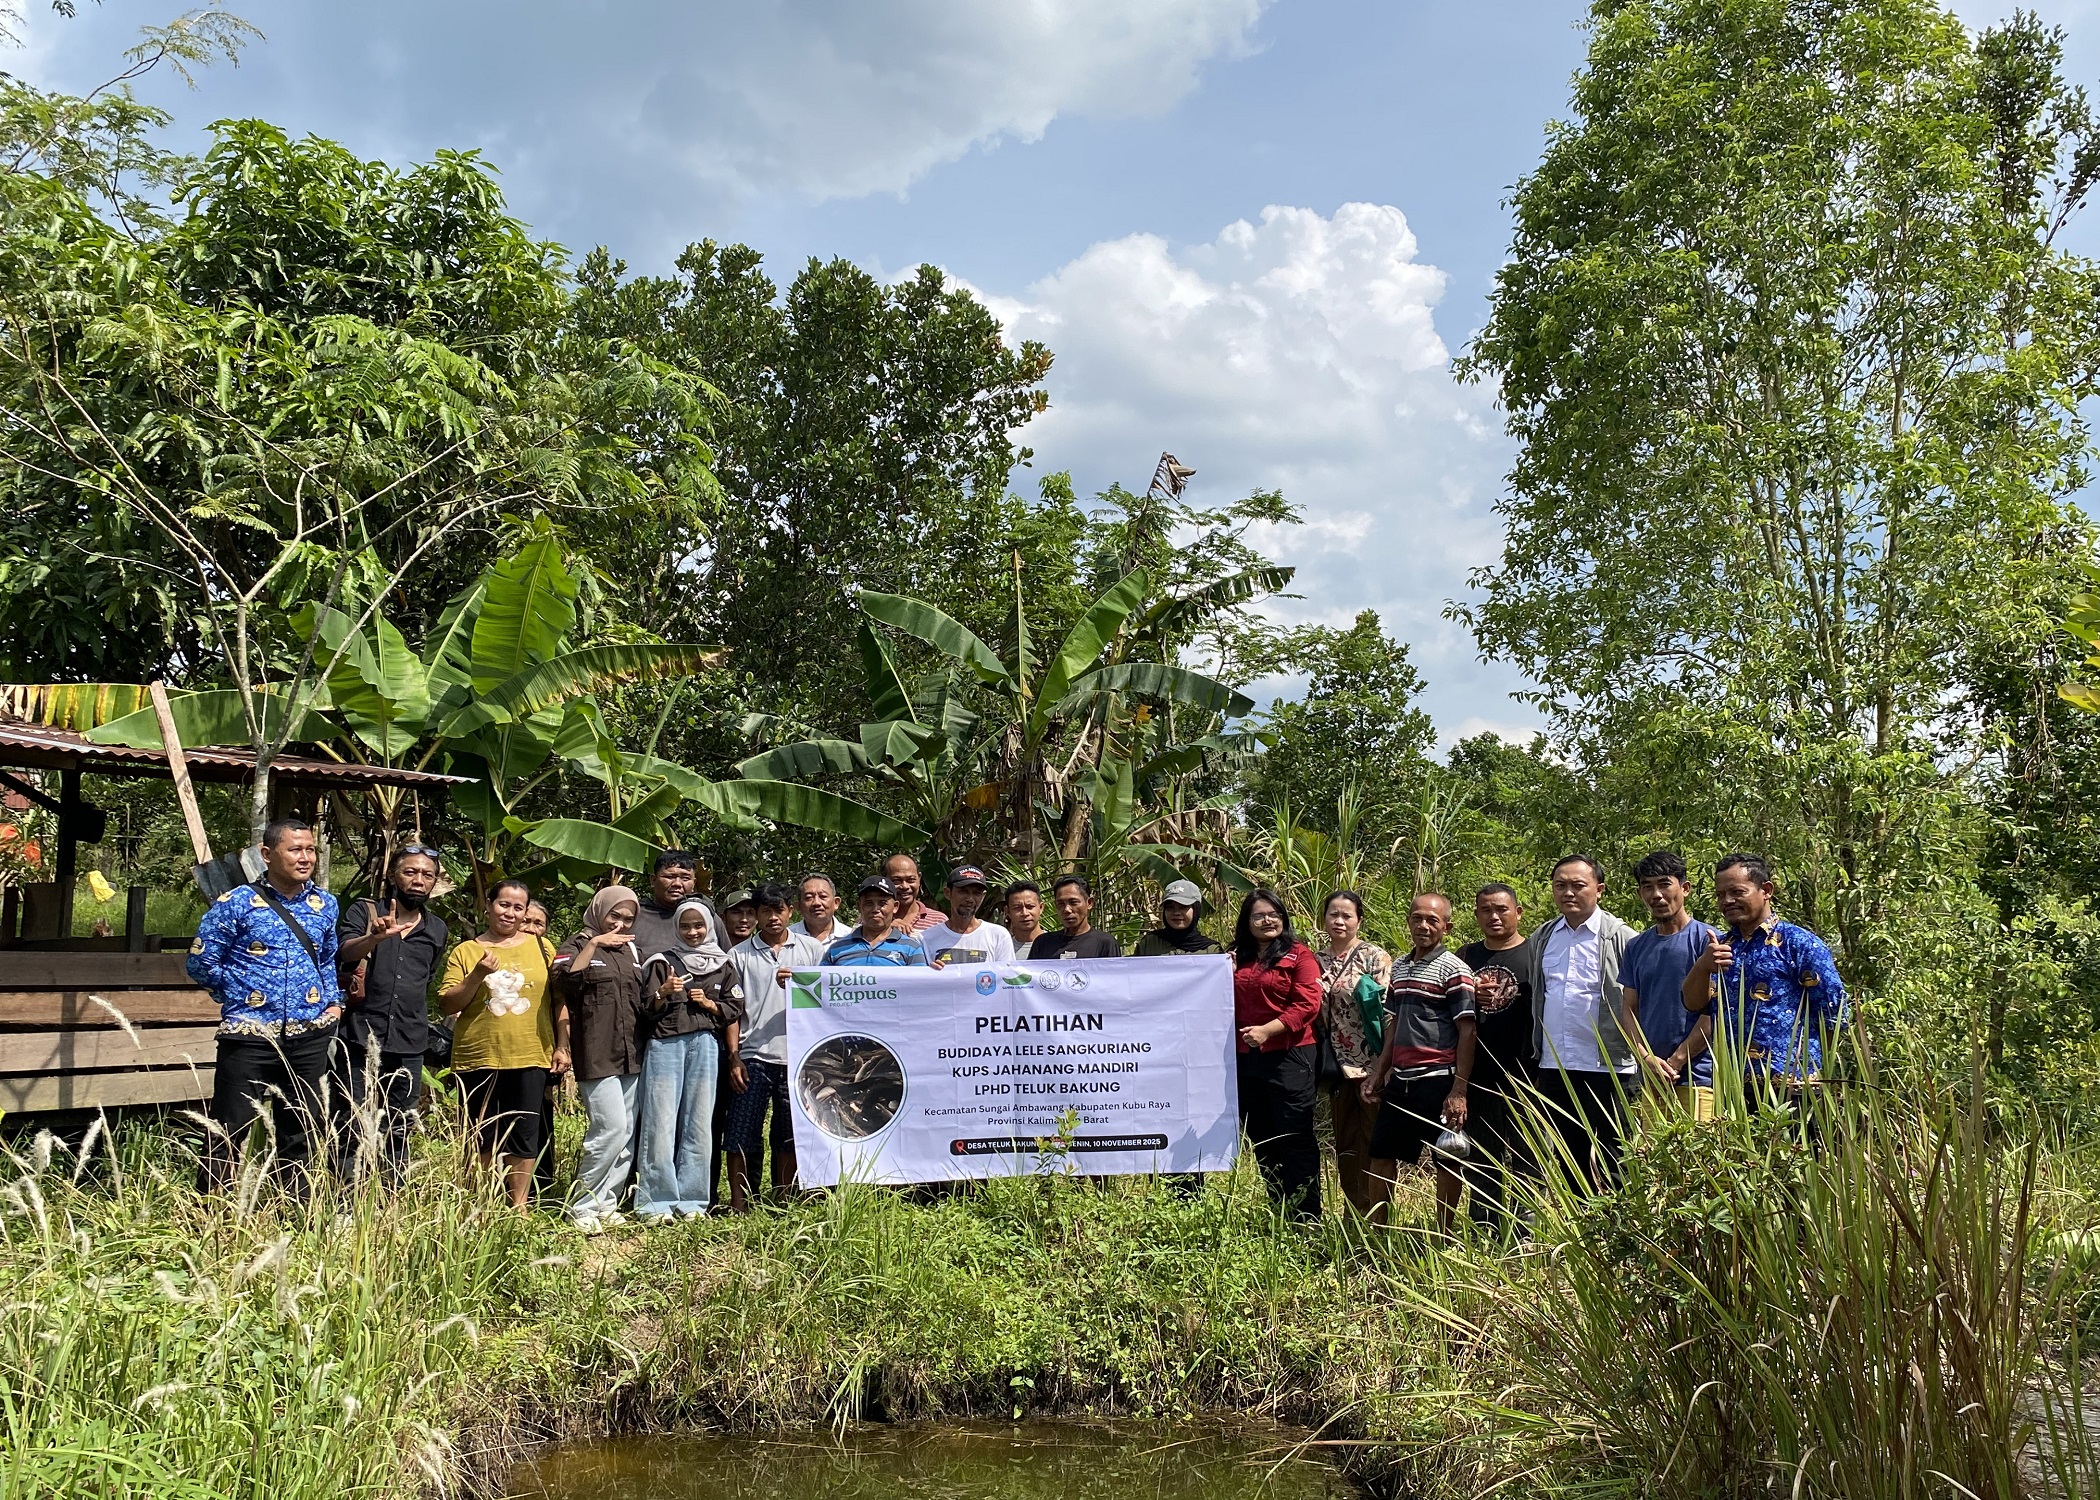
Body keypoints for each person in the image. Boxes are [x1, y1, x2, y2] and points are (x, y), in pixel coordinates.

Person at [187, 818, 341, 1195]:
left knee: (303, 1129)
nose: (305, 858)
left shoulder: (325, 904)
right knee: (230, 1128)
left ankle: (295, 1211)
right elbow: (200, 962)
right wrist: (241, 996)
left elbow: (326, 959)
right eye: (295, 850)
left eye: (310, 850)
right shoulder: (237, 903)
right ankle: (214, 1216)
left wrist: (333, 1003)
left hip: (308, 1036)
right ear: (267, 854)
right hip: (249, 1036)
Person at [1683, 854, 1849, 1102]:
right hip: (1734, 1087)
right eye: (1720, 895)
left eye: (1736, 892)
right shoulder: (1723, 947)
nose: (1727, 901)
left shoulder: (1799, 944)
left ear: (1766, 890)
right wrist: (1703, 967)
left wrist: (1816, 1075)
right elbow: (1694, 1004)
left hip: (1794, 1088)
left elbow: (1833, 1017)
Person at [332, 844, 448, 1186]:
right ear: (392, 876)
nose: (418, 880)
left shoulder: (437, 929)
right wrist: (374, 937)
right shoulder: (365, 911)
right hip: (360, 1034)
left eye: (427, 875)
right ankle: (345, 1200)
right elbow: (345, 954)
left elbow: (427, 978)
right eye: (410, 872)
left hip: (409, 1040)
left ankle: (391, 1196)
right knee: (352, 1120)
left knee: (400, 1123)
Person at [1521, 856, 1639, 1188]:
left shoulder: (1622, 937)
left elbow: (1636, 998)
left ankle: (1619, 1234)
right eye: (1561, 885)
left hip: (1611, 1067)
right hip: (1556, 1065)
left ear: (1599, 890)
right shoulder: (1543, 937)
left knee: (1616, 1156)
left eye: (1578, 885)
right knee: (1569, 1157)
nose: (1568, 892)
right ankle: (1581, 1233)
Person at [438, 879, 556, 1211]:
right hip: (479, 1056)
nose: (510, 913)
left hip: (530, 1053)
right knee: (481, 1134)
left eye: (519, 908)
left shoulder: (543, 948)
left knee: (524, 1134)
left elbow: (558, 1000)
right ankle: (481, 1203)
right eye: (504, 904)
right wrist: (475, 976)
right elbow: (447, 1004)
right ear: (488, 906)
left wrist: (562, 1046)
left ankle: (518, 1205)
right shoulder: (467, 951)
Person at [1362, 894, 1477, 1235]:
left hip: (1438, 1080)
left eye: (1432, 920)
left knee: (1448, 1158)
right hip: (1402, 1080)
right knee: (1381, 1154)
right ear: (1409, 921)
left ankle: (1444, 1235)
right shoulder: (1399, 966)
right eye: (1417, 918)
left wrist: (1459, 1088)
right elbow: (1394, 1022)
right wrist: (1380, 1071)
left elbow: (1467, 1029)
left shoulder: (1455, 970)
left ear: (1447, 926)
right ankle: (1378, 1236)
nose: (1423, 926)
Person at [635, 899, 744, 1220]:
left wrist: (711, 1005)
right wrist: (663, 992)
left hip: (705, 1047)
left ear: (710, 926)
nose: (693, 932)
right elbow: (645, 1008)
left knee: (699, 1125)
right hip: (665, 1045)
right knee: (660, 1123)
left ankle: (693, 1202)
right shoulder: (661, 962)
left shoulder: (723, 964)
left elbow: (735, 1008)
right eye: (685, 926)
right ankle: (655, 1202)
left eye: (699, 925)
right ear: (676, 928)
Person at [552, 885, 648, 1233]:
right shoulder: (577, 944)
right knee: (609, 1128)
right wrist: (594, 944)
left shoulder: (631, 951)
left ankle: (607, 1201)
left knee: (627, 1134)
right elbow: (563, 983)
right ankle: (581, 1205)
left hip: (631, 1052)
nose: (620, 924)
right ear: (599, 912)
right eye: (614, 916)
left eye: (628, 918)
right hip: (596, 1051)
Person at [725, 883, 825, 1211]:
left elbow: (827, 999)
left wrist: (800, 982)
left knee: (788, 1135)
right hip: (752, 1055)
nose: (772, 918)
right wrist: (734, 1056)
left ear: (790, 912)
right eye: (765, 911)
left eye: (778, 910)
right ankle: (740, 1205)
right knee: (741, 1134)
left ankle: (784, 1201)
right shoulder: (738, 955)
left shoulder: (811, 950)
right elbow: (732, 1011)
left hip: (798, 1056)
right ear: (756, 915)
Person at [1230, 888, 1323, 1218]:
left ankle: (1308, 1217)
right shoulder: (1234, 958)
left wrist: (1268, 1031)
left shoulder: (1300, 955)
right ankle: (1278, 1211)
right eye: (1259, 915)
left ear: (1283, 918)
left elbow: (1308, 1004)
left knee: (1294, 1137)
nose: (1267, 920)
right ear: (1247, 922)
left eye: (1274, 914)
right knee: (1263, 1139)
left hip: (1290, 1056)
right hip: (1245, 1059)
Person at [1457, 883, 1534, 1232]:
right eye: (1486, 910)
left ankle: (1524, 1233)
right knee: (1482, 1155)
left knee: (1527, 1156)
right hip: (1479, 1073)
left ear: (1518, 912)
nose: (1494, 916)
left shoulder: (1536, 953)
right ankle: (1484, 1228)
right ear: (1476, 915)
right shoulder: (1465, 956)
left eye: (1502, 909)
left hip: (1527, 1071)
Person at [1620, 852, 1718, 1119]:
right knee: (1653, 1158)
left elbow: (1715, 1012)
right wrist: (1645, 1057)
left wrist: (1677, 1061)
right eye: (1647, 887)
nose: (1657, 895)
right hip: (1651, 1081)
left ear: (1684, 888)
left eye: (1664, 884)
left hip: (1698, 1080)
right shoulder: (1636, 946)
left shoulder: (1708, 941)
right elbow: (1628, 1008)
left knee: (1701, 1159)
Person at [1312, 890, 1391, 1216]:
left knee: (1376, 1145)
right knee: (1346, 1145)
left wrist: (1382, 1068)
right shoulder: (1314, 959)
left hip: (1371, 1066)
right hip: (1336, 1070)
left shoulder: (1373, 957)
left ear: (1359, 920)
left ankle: (1380, 1221)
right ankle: (1354, 1215)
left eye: (1347, 915)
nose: (1339, 921)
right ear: (1324, 919)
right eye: (1333, 914)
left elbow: (1388, 1013)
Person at [522, 900, 563, 1201]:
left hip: (541, 1044)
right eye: (527, 921)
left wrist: (562, 1045)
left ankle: (541, 1188)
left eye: (539, 923)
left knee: (539, 1117)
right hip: (498, 1049)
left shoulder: (549, 951)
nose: (532, 928)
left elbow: (559, 1001)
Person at [632, 852, 722, 969]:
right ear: (653, 880)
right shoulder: (634, 916)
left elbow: (725, 961)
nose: (677, 884)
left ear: (694, 883)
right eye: (670, 877)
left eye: (685, 878)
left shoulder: (707, 918)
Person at [822, 874, 931, 967]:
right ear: (859, 906)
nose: (875, 909)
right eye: (868, 903)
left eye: (882, 903)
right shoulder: (836, 949)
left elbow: (919, 987)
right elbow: (821, 986)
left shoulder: (911, 948)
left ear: (895, 907)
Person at [919, 866, 1016, 963]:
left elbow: (1006, 976)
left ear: (983, 896)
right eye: (963, 892)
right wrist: (932, 972)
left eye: (976, 893)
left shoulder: (998, 936)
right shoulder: (926, 938)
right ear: (948, 893)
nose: (970, 899)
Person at [1027, 875, 1123, 959]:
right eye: (1060, 904)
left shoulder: (1105, 943)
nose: (1067, 909)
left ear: (1089, 903)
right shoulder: (1043, 943)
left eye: (1073, 902)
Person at [1134, 879, 1224, 956]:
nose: (1176, 913)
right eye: (1170, 907)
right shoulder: (1149, 944)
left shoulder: (1212, 951)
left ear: (1196, 910)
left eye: (1183, 906)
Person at [882, 853, 946, 933]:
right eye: (897, 881)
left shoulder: (938, 922)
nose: (905, 886)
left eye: (911, 880)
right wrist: (884, 929)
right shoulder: (871, 919)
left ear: (919, 879)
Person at [790, 872, 846, 946]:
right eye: (809, 897)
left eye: (823, 896)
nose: (816, 903)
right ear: (798, 906)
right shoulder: (787, 938)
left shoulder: (851, 937)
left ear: (836, 903)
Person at [1003, 881, 1045, 951]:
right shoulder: (1002, 949)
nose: (1025, 913)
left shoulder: (1057, 945)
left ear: (1041, 908)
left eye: (1030, 906)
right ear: (1008, 911)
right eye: (1017, 908)